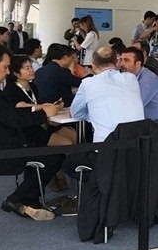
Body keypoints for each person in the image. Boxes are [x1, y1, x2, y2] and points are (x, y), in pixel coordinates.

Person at [0, 44, 61, 221]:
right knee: (53, 156)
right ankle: (18, 199)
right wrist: (44, 113)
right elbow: (14, 119)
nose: (7, 72)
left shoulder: (31, 88)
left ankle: (23, 199)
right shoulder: (9, 90)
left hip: (17, 139)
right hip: (9, 147)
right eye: (5, 67)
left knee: (53, 154)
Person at [62, 47, 145, 177]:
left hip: (105, 150)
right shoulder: (131, 79)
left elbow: (75, 113)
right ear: (117, 62)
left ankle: (98, 185)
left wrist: (92, 115)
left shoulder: (88, 83)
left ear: (93, 66)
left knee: (68, 165)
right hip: (135, 148)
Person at [119, 47, 158, 136]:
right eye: (121, 60)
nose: (121, 64)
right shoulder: (133, 78)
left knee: (121, 135)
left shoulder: (148, 79)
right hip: (148, 123)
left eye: (126, 60)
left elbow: (134, 106)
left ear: (138, 64)